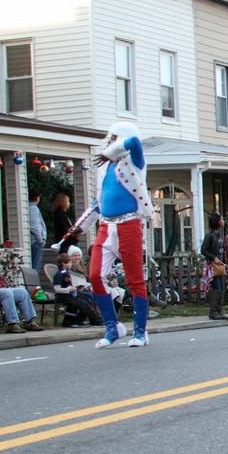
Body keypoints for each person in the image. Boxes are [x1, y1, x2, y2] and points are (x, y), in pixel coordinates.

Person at [71, 122, 154, 348]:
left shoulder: (135, 162)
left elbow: (135, 142)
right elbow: (98, 203)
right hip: (106, 228)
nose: (109, 142)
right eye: (109, 139)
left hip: (129, 225)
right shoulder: (105, 169)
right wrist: (80, 226)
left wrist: (109, 153)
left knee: (135, 280)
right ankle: (112, 327)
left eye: (114, 138)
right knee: (95, 275)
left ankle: (140, 331)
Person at [51, 252, 101, 328]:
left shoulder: (66, 272)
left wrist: (78, 287)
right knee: (83, 303)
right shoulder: (59, 274)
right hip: (63, 296)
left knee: (88, 299)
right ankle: (95, 320)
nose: (71, 264)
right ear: (63, 264)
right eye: (70, 262)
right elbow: (56, 289)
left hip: (70, 293)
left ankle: (78, 321)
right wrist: (69, 289)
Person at [200, 212, 228, 320]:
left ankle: (220, 310)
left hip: (220, 265)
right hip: (214, 265)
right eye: (221, 219)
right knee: (216, 287)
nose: (223, 221)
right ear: (217, 221)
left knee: (222, 287)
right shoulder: (210, 236)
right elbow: (203, 250)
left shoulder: (219, 235)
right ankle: (213, 311)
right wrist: (213, 258)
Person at [28, 189, 46, 272]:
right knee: (35, 267)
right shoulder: (33, 208)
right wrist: (40, 240)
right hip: (36, 242)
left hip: (34, 241)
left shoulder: (30, 207)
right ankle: (34, 284)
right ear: (37, 198)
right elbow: (34, 226)